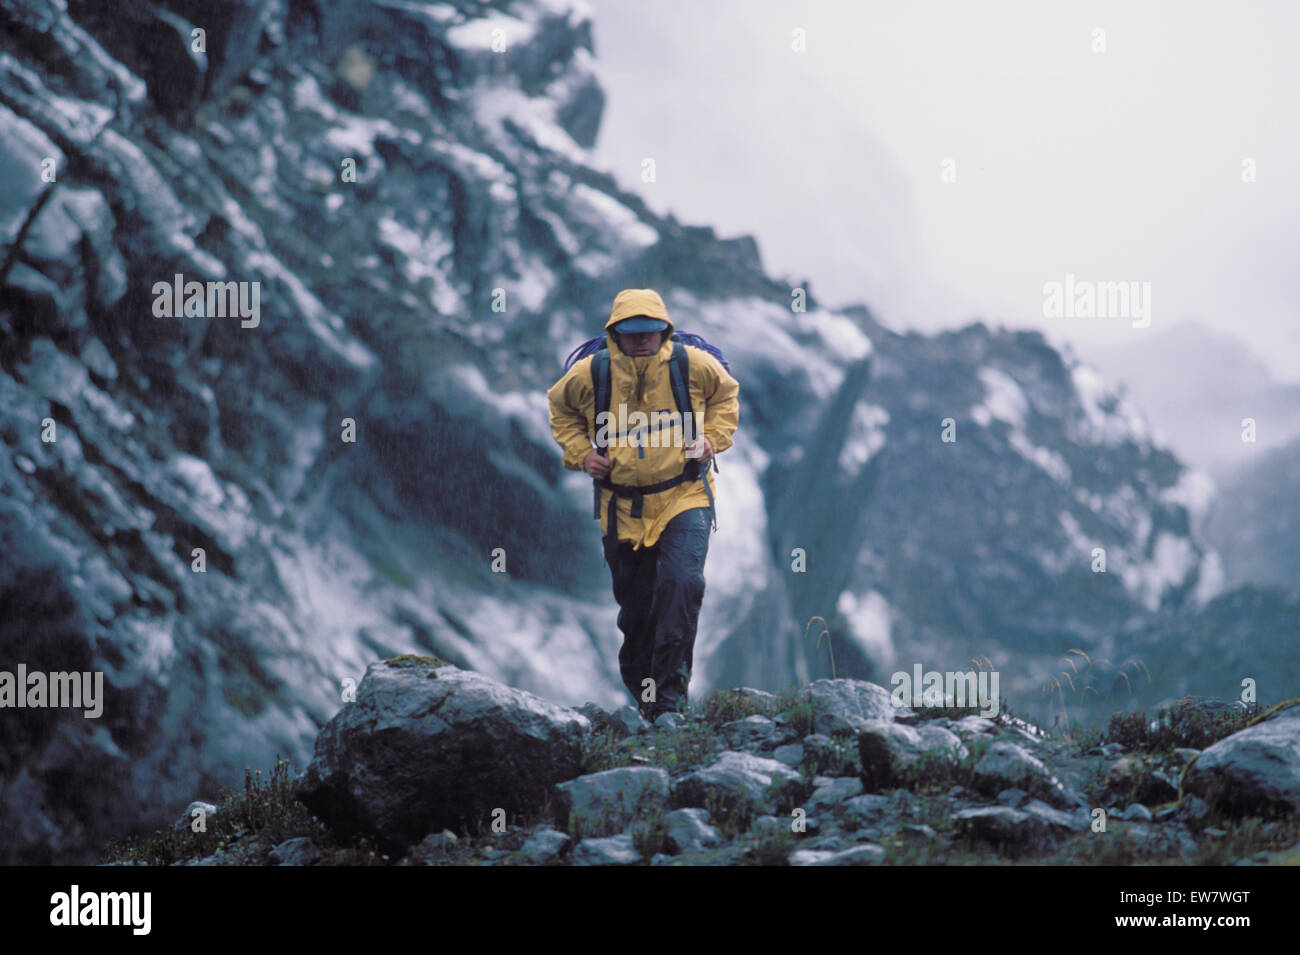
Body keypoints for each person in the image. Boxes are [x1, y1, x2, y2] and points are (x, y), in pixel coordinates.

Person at [547, 288, 740, 721]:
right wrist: (582, 453)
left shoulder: (692, 365)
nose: (641, 340)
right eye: (631, 333)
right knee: (636, 615)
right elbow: (560, 410)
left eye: (650, 332)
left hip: (684, 495)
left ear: (664, 331)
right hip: (622, 507)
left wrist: (711, 440)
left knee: (681, 584)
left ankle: (671, 704)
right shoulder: (590, 374)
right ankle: (646, 703)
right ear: (614, 334)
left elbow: (726, 397)